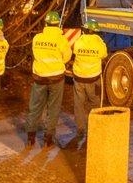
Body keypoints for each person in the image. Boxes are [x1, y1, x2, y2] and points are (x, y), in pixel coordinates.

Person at [26, 11, 72, 148]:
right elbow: (67, 57)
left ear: (45, 23)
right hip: (56, 78)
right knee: (53, 109)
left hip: (39, 77)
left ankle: (30, 138)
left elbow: (35, 54)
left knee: (35, 107)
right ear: (57, 23)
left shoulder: (37, 38)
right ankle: (47, 139)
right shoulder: (61, 39)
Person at [71, 18, 108, 150]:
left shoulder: (79, 42)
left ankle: (80, 130)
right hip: (94, 80)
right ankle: (94, 128)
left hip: (79, 78)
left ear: (85, 30)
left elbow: (74, 52)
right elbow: (104, 55)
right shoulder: (99, 44)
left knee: (79, 104)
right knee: (95, 104)